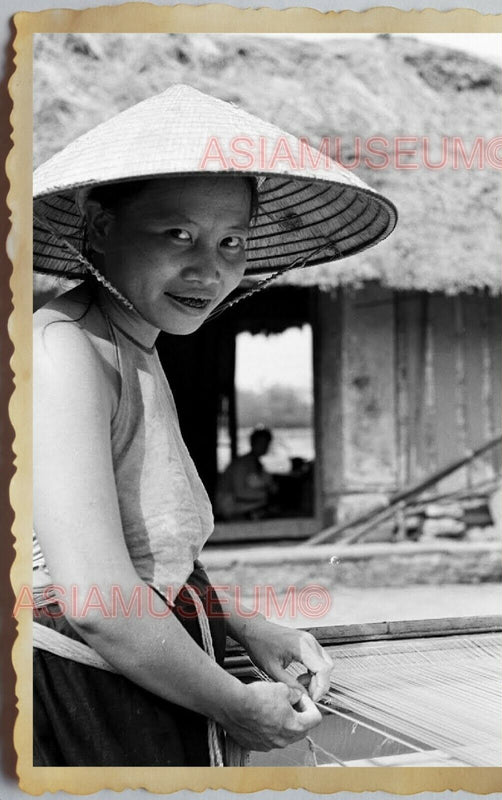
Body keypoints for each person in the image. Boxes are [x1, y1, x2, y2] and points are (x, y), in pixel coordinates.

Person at [32, 84, 397, 766]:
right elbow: (97, 602)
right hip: (80, 700)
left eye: (232, 240)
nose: (209, 268)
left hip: (134, 686)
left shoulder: (132, 340)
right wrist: (233, 704)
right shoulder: (65, 353)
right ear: (102, 228)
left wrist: (246, 623)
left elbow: (147, 559)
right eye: (177, 234)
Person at [217, 427, 278, 520]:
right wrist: (265, 495)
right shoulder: (241, 464)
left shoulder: (258, 465)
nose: (264, 446)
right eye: (261, 442)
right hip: (229, 509)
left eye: (266, 443)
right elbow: (240, 492)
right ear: (252, 443)